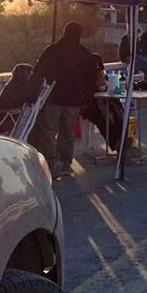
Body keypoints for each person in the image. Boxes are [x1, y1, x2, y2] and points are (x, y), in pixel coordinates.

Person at [28, 21, 97, 177]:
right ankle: (65, 163)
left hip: (53, 98)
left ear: (64, 32)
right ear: (80, 35)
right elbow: (91, 79)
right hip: (74, 100)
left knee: (49, 132)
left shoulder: (52, 50)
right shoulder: (85, 54)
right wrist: (87, 99)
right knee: (68, 132)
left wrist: (32, 94)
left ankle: (50, 164)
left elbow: (38, 71)